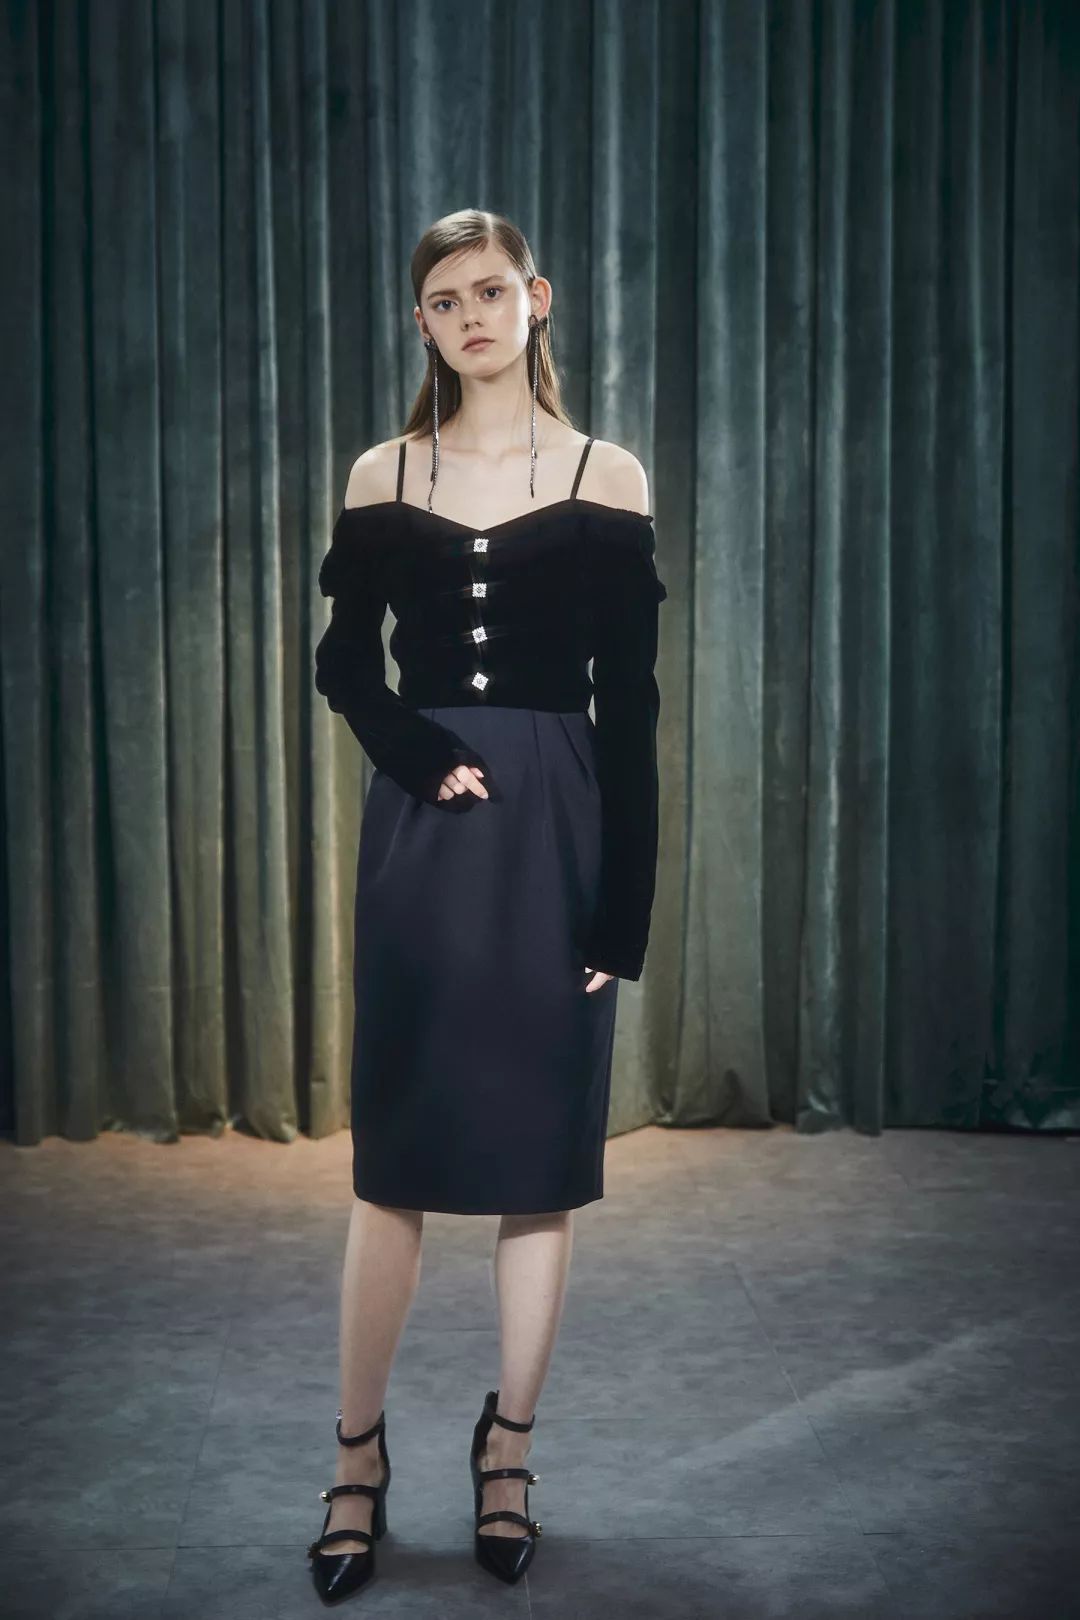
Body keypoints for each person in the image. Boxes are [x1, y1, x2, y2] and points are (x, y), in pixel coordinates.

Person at [307, 209, 667, 1602]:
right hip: (424, 838)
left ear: (538, 300)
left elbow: (631, 707)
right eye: (446, 300)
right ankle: (356, 1458)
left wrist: (623, 909)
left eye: (492, 291)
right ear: (423, 324)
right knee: (392, 1158)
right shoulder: (382, 471)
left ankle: (508, 1448)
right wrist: (416, 753)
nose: (471, 316)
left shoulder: (605, 473)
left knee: (540, 1159)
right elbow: (346, 667)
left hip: (560, 831)